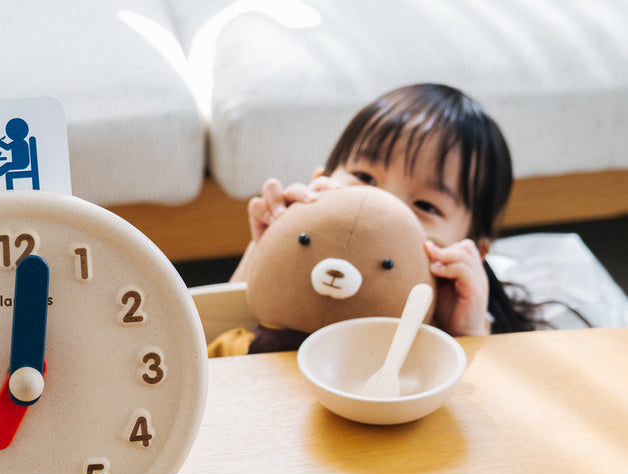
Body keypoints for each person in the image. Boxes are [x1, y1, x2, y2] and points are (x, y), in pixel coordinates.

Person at [230, 83, 539, 336]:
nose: (381, 207)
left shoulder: (463, 314)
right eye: (364, 177)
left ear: (475, 250)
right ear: (319, 181)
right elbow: (211, 340)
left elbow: (476, 403)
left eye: (425, 205)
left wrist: (465, 333)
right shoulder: (296, 239)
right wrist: (266, 247)